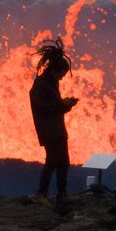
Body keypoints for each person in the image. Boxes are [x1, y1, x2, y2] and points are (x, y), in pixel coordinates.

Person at [30, 38, 78, 203]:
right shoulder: (41, 85)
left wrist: (64, 104)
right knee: (52, 161)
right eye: (61, 74)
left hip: (57, 129)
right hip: (50, 131)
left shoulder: (49, 84)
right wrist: (63, 104)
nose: (62, 78)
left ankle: (61, 192)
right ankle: (42, 192)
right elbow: (44, 108)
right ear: (54, 70)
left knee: (63, 162)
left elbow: (52, 106)